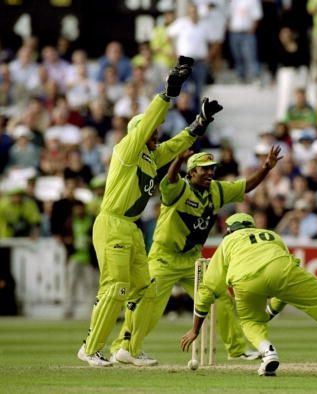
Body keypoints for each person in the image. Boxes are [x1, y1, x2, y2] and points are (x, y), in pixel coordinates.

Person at [77, 56, 223, 367]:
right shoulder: (127, 152)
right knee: (115, 286)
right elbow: (147, 124)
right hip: (111, 224)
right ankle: (90, 349)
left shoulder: (149, 158)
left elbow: (176, 145)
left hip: (130, 227)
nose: (157, 138)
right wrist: (170, 90)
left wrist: (200, 122)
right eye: (152, 133)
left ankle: (128, 348)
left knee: (146, 288)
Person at [109, 145, 283, 365]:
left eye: (212, 169)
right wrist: (178, 160)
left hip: (193, 260)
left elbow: (246, 186)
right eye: (204, 169)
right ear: (191, 172)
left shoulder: (217, 191)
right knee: (148, 303)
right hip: (164, 257)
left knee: (221, 297)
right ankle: (123, 348)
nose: (210, 173)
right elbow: (171, 179)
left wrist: (266, 167)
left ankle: (237, 349)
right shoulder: (178, 189)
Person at [180, 213, 317, 377]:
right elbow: (282, 288)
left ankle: (267, 351)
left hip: (245, 281)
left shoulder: (227, 242)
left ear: (229, 230)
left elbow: (208, 289)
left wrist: (195, 329)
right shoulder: (272, 236)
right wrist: (271, 312)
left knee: (251, 321)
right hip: (282, 270)